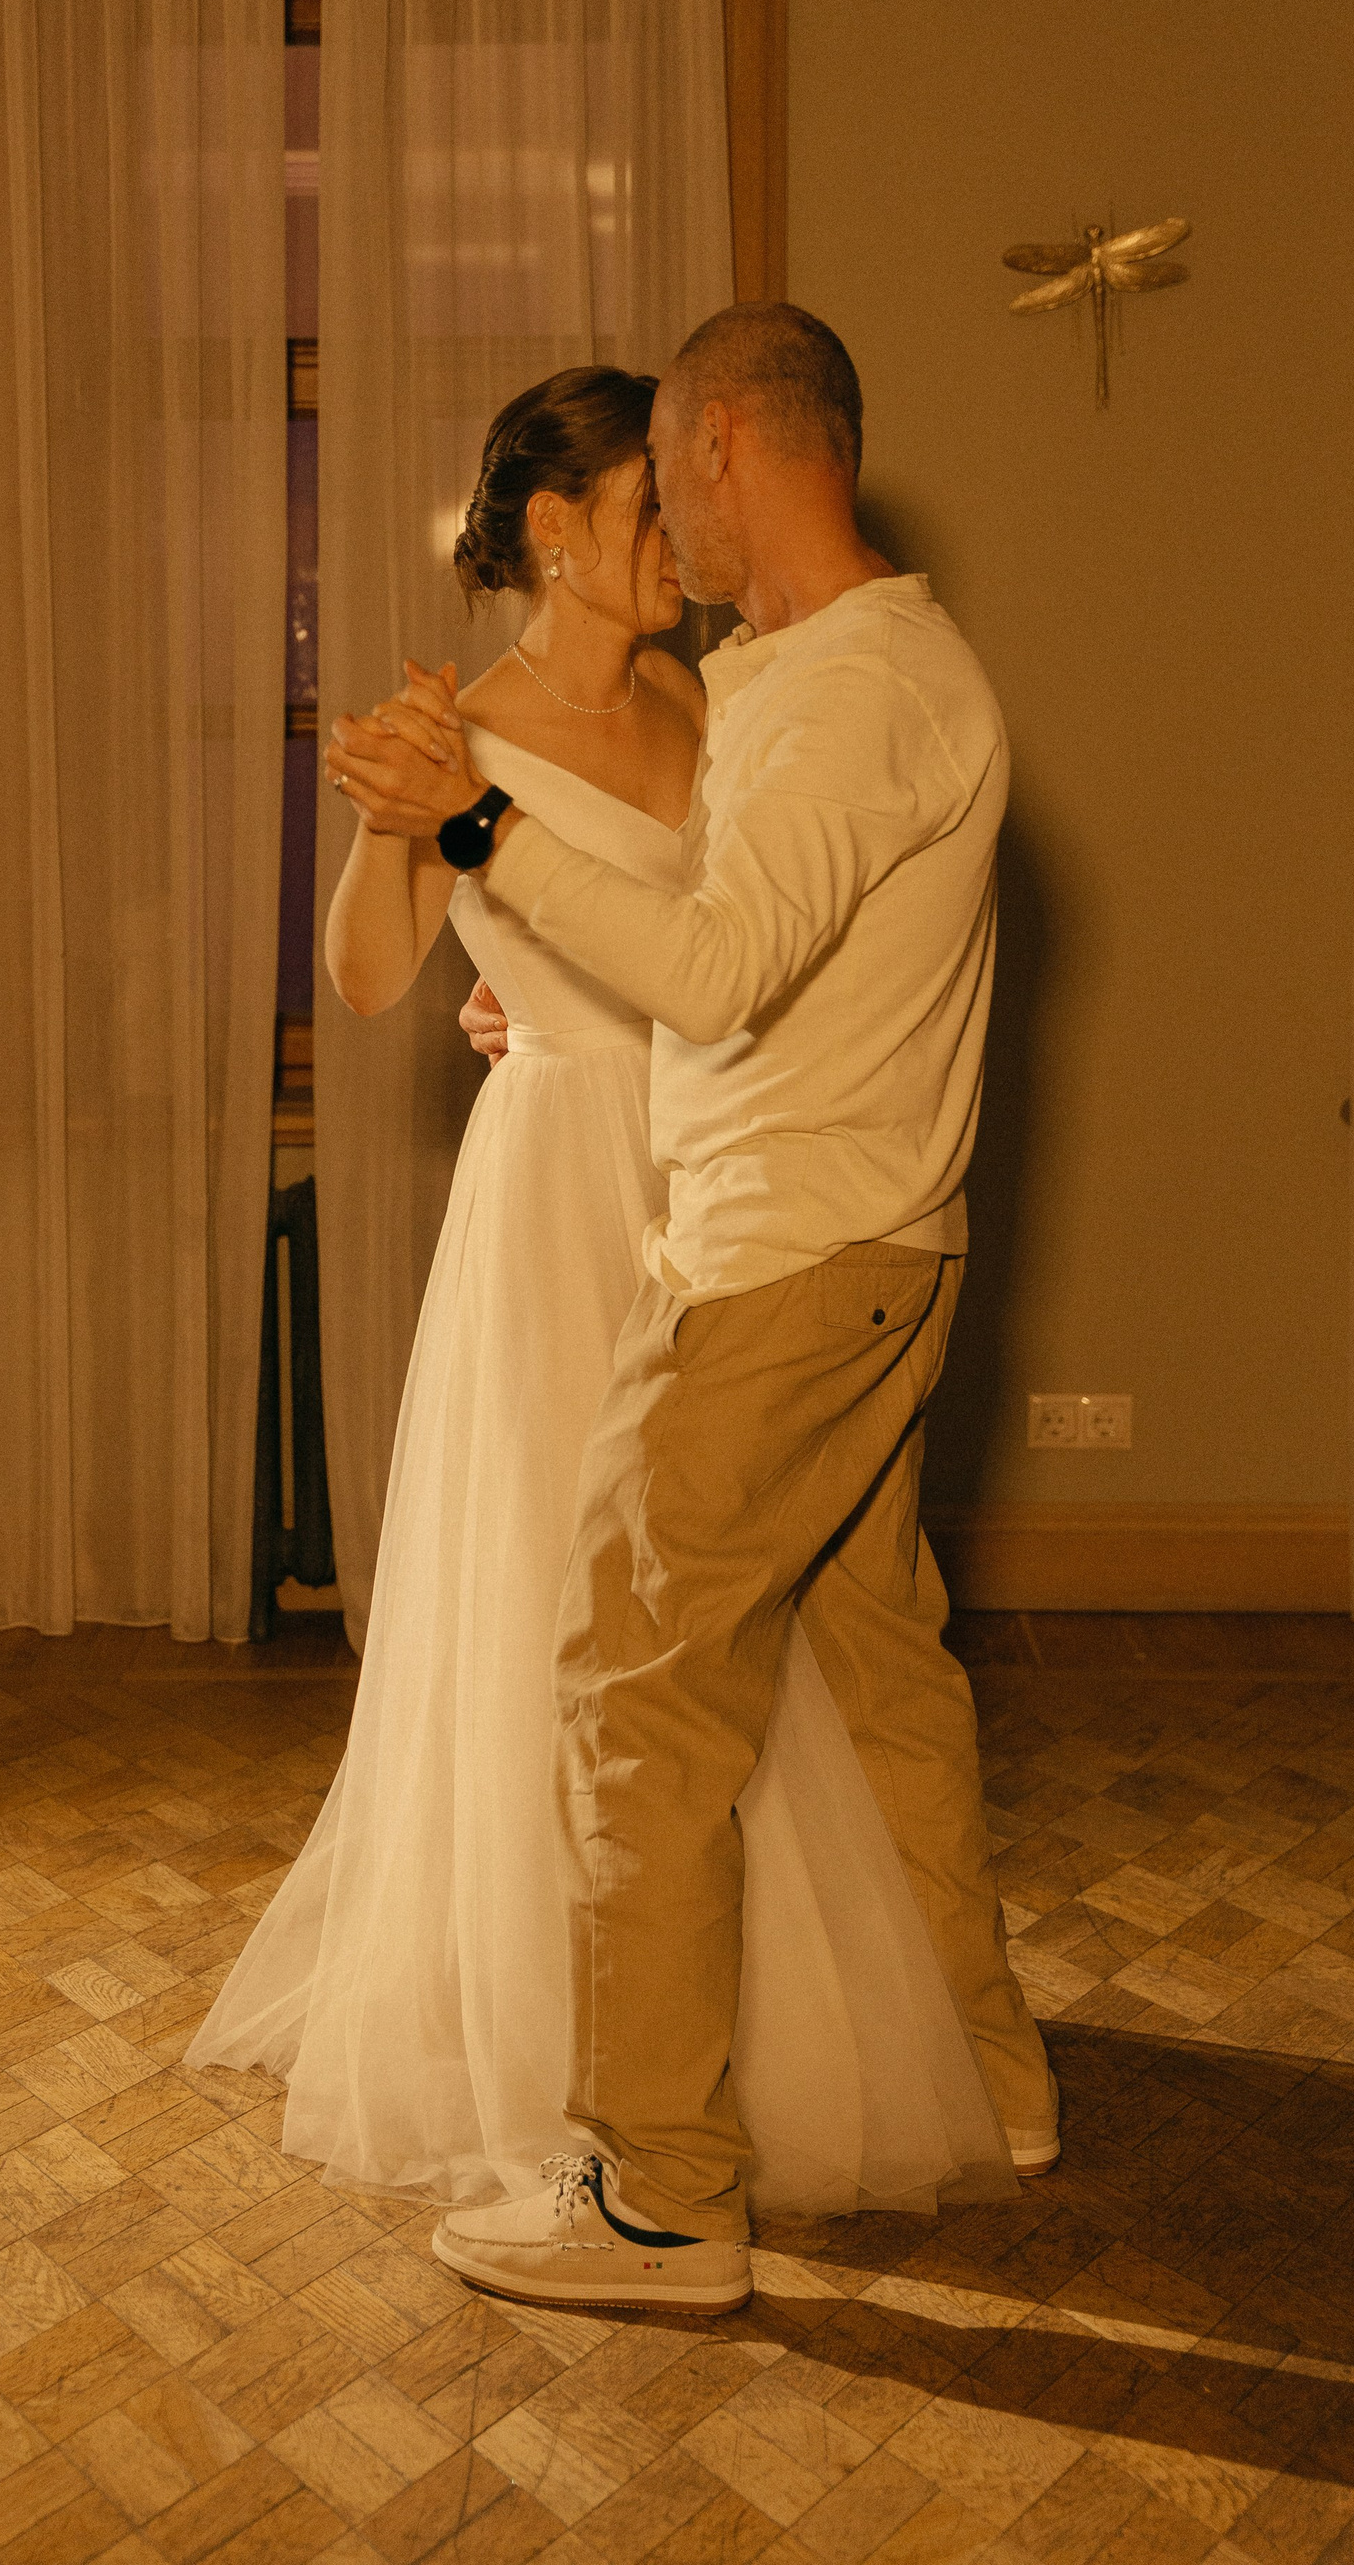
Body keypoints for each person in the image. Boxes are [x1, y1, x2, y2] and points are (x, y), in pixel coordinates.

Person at [185, 363, 1020, 2283]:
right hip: (564, 1189)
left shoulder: (715, 698)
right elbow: (373, 977)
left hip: (725, 1169)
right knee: (582, 1630)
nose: (679, 548)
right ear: (554, 529)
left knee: (735, 1652)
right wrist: (414, 848)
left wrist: (559, 948)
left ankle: (763, 2059)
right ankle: (563, 2045)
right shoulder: (462, 727)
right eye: (648, 510)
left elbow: (736, 947)